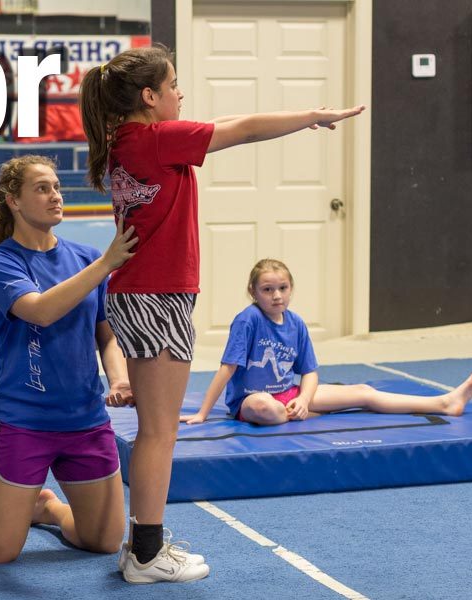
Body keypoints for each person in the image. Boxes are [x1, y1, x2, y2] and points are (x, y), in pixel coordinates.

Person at [78, 44, 364, 583]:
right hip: (156, 297)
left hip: (140, 295)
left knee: (154, 429)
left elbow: (229, 121)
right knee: (161, 433)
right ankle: (145, 554)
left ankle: (141, 546)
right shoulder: (157, 140)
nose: (180, 94)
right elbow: (247, 128)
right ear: (149, 96)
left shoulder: (129, 141)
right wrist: (312, 117)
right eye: (173, 85)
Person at [0, 155, 177, 575]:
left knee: (104, 541)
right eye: (42, 188)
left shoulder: (85, 257)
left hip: (85, 421)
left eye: (56, 187)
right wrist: (105, 265)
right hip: (25, 422)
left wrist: (119, 377)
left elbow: (105, 334)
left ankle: (49, 508)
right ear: (13, 201)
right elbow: (39, 310)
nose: (55, 195)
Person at [180, 259, 472, 425]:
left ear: (291, 288)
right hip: (250, 400)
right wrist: (204, 413)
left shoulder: (295, 323)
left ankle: (444, 403)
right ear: (253, 292)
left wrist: (304, 400)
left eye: (282, 288)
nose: (276, 296)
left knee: (364, 392)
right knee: (264, 407)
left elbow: (309, 373)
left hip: (290, 394)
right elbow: (227, 369)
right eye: (267, 289)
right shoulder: (249, 320)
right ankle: (305, 413)